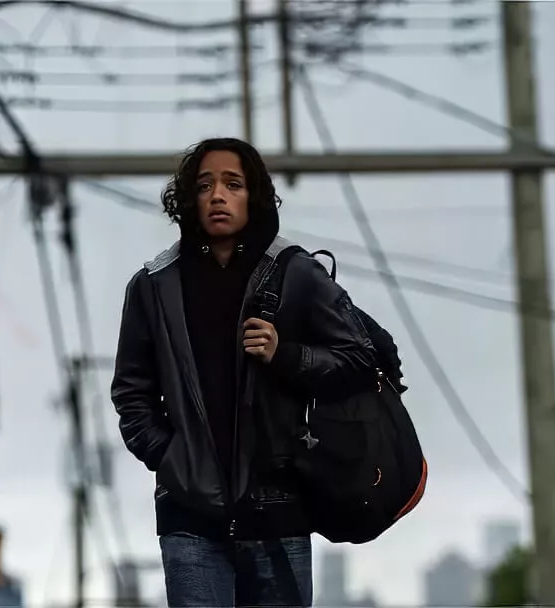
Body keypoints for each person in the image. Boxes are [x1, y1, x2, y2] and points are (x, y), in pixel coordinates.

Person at [110, 137, 377, 607]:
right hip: (189, 517)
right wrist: (171, 458)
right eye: (205, 185)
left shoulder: (293, 273)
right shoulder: (152, 285)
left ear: (253, 196)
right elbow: (131, 394)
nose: (218, 195)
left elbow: (359, 356)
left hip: (279, 510)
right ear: (188, 199)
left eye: (232, 184)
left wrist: (288, 355)